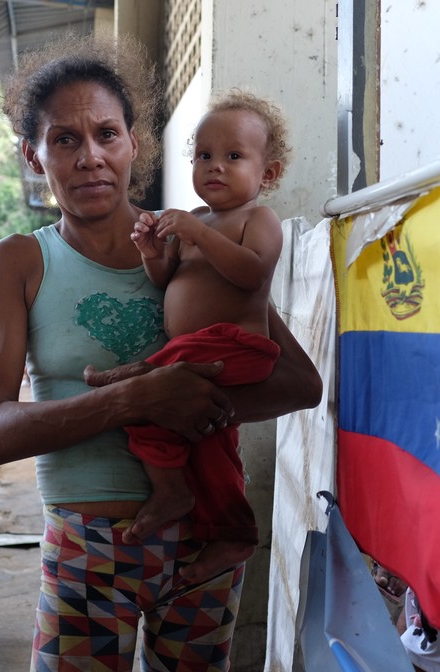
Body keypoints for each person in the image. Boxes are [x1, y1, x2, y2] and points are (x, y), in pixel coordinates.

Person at [0, 33, 321, 672]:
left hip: (200, 547)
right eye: (64, 139)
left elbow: (300, 382)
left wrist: (200, 399)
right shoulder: (20, 262)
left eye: (107, 133)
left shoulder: (193, 241)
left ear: (136, 144)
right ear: (32, 155)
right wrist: (138, 396)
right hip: (86, 548)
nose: (90, 157)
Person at [120, 90, 290, 584]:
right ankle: (231, 534)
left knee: (147, 403)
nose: (214, 167)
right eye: (204, 156)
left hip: (236, 347)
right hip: (199, 355)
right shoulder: (199, 218)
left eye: (233, 156)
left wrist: (197, 234)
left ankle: (171, 491)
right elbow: (164, 280)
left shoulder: (257, 219)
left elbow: (252, 274)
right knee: (212, 451)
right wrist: (153, 251)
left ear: (269, 173)